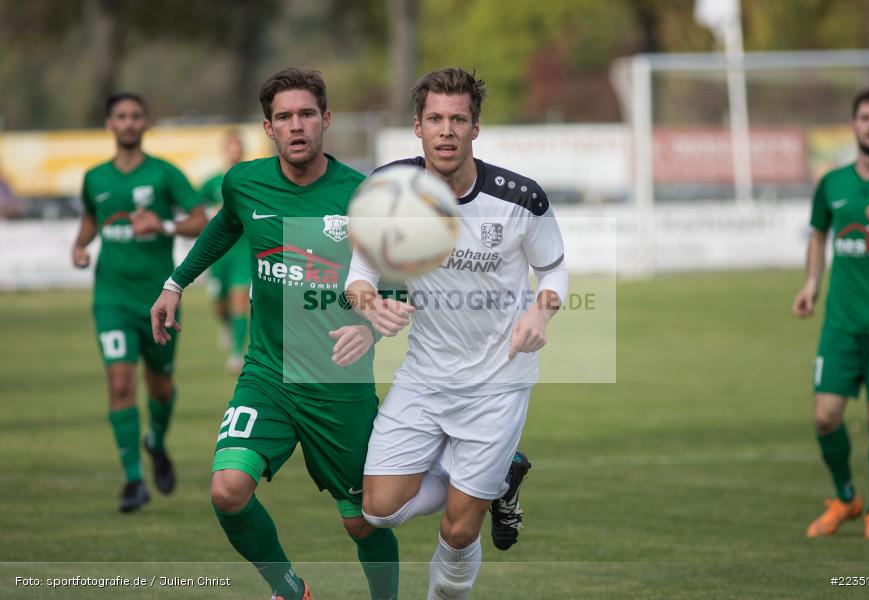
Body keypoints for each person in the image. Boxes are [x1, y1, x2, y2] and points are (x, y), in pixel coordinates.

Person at [149, 68, 398, 600]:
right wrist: (175, 283)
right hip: (267, 375)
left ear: (326, 120)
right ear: (268, 127)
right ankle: (289, 590)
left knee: (364, 521)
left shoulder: (362, 195)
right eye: (284, 116)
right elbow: (224, 226)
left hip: (338, 386)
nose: (296, 125)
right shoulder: (244, 182)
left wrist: (368, 331)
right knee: (228, 490)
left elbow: (396, 288)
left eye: (307, 113)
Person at [346, 67, 568, 599]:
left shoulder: (521, 199)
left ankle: (480, 491)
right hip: (424, 377)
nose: (447, 130)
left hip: (498, 383)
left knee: (459, 529)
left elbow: (554, 270)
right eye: (435, 119)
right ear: (417, 127)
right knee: (377, 509)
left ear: (475, 128)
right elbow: (360, 273)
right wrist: (369, 303)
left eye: (458, 120)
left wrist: (540, 313)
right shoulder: (391, 188)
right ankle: (493, 477)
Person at [70, 92, 207, 512]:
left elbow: (201, 219)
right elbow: (93, 217)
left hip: (159, 299)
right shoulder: (95, 177)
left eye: (135, 116)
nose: (128, 123)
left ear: (145, 123)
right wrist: (79, 246)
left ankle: (157, 443)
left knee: (160, 386)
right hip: (110, 298)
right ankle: (133, 480)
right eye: (120, 117)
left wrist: (163, 224)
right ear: (109, 124)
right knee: (120, 382)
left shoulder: (165, 174)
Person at [793, 87, 869, 540]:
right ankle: (846, 497)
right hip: (840, 322)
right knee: (825, 416)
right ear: (854, 125)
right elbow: (818, 234)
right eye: (865, 117)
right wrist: (812, 284)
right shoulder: (831, 183)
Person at [200, 130, 252, 373]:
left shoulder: (252, 179)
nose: (234, 151)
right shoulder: (212, 182)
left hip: (243, 250)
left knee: (240, 298)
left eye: (237, 147)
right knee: (218, 303)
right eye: (230, 147)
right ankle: (227, 325)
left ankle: (236, 354)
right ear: (225, 150)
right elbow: (195, 208)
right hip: (219, 253)